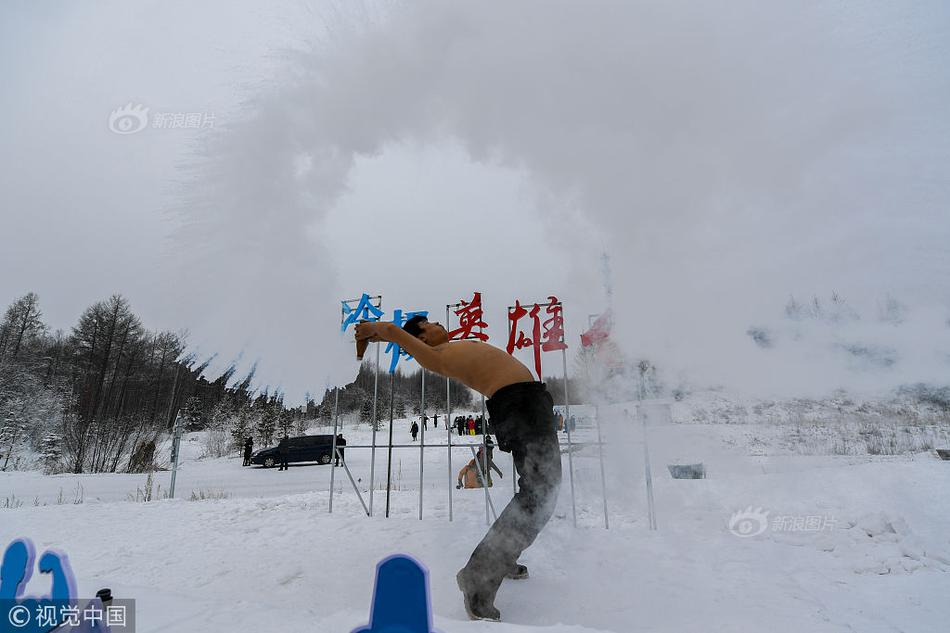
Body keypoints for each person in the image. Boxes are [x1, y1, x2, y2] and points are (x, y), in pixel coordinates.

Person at [356, 315, 561, 621]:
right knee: (540, 493)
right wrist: (371, 330)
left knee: (539, 491)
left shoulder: (444, 348)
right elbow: (391, 330)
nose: (438, 323)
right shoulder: (434, 355)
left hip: (528, 402)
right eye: (430, 323)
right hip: (519, 404)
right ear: (423, 338)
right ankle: (478, 578)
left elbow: (393, 335)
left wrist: (381, 337)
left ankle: (502, 557)